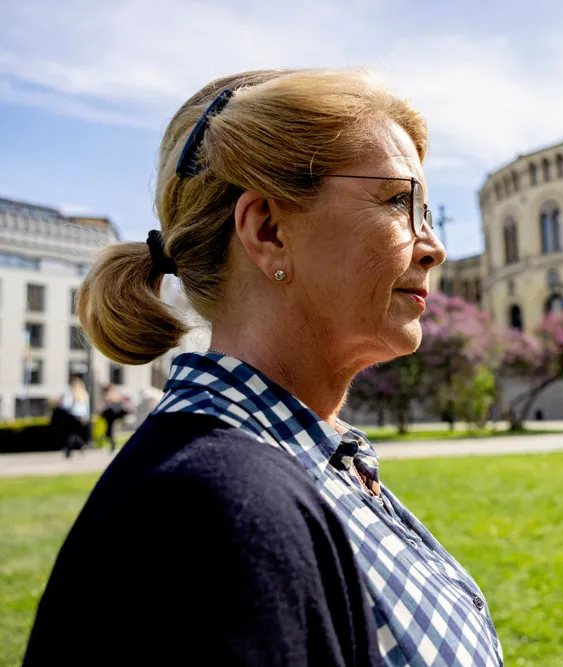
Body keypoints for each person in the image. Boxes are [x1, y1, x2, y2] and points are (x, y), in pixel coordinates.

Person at [24, 69, 503, 667]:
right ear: (269, 230)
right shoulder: (213, 515)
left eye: (425, 211)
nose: (434, 246)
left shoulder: (298, 463)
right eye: (398, 201)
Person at [53, 374, 90, 458]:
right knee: (75, 434)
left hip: (73, 416)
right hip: (82, 417)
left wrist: (59, 403)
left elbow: (66, 405)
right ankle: (78, 446)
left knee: (71, 434)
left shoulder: (71, 393)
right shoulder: (84, 393)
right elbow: (87, 407)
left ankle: (72, 448)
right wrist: (86, 416)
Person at [99, 384, 130, 452]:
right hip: (110, 415)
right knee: (109, 431)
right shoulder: (112, 394)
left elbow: (112, 403)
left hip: (112, 415)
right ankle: (113, 444)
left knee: (110, 431)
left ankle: (113, 444)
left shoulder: (112, 395)